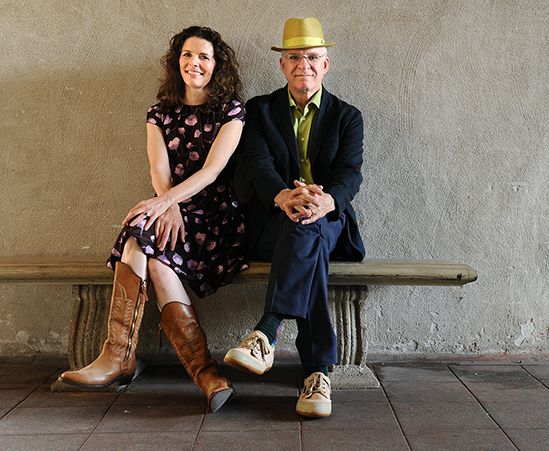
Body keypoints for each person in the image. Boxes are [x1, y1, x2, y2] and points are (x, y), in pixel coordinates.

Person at [57, 26, 248, 413]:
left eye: (204, 57)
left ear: (217, 65)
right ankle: (203, 374)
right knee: (147, 249)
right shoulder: (159, 113)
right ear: (177, 61)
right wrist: (166, 204)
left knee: (141, 227)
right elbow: (159, 168)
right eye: (188, 56)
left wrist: (165, 204)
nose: (195, 63)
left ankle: (119, 358)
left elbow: (212, 172)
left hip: (214, 221)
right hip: (171, 209)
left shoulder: (232, 110)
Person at [225, 17, 364, 418]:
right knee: (306, 238)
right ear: (282, 65)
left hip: (331, 222)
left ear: (326, 65)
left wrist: (326, 201)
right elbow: (256, 164)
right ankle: (316, 375)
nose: (304, 64)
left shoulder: (347, 116)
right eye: (295, 57)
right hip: (274, 224)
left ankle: (267, 330)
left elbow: (350, 174)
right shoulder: (260, 110)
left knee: (311, 227)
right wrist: (285, 195)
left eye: (313, 57)